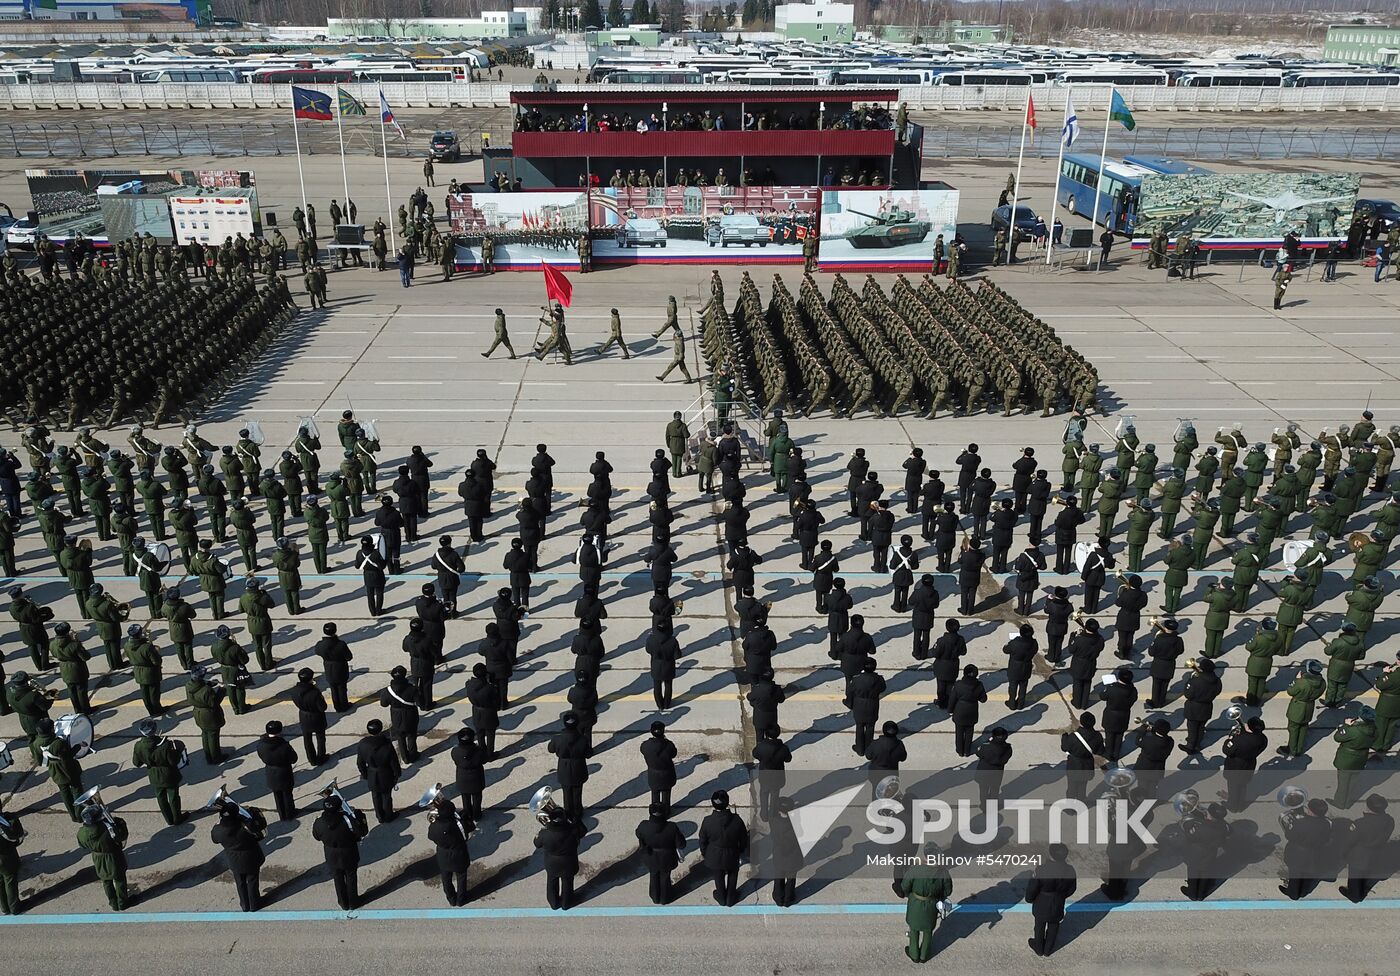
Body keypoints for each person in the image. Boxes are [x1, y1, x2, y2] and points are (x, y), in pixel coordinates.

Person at [210, 797, 267, 912]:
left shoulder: (218, 831)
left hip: (234, 860)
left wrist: (218, 822)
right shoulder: (246, 827)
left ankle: (244, 905)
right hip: (251, 858)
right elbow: (260, 831)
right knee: (252, 881)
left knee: (240, 882)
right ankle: (254, 904)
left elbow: (214, 839)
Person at [312, 795, 368, 910]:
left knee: (337, 878)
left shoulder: (319, 822)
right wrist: (358, 816)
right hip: (349, 853)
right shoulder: (347, 820)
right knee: (351, 877)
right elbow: (361, 832)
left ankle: (343, 903)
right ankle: (353, 902)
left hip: (331, 855)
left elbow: (316, 836)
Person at [699, 789, 749, 906]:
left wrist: (705, 853)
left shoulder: (708, 821)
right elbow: (743, 838)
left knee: (718, 876)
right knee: (733, 875)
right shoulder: (737, 820)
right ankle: (731, 898)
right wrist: (741, 850)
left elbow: (703, 840)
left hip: (714, 855)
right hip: (732, 853)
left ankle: (721, 897)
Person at [131, 717, 185, 825]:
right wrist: (178, 751)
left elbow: (137, 763)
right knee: (173, 796)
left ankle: (169, 820)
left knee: (161, 798)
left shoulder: (138, 746)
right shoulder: (165, 744)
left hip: (154, 775)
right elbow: (173, 761)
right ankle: (177, 818)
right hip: (169, 774)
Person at [77, 804, 131, 911]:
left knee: (106, 881)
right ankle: (122, 903)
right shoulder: (108, 828)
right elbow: (122, 836)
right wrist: (120, 823)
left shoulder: (81, 832)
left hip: (98, 858)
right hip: (114, 856)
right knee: (119, 879)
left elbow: (82, 845)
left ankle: (113, 903)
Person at [1025, 843, 1076, 956]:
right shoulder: (1070, 870)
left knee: (1039, 926)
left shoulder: (1041, 870)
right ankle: (1048, 949)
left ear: (1051, 855)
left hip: (1041, 903)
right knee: (1054, 926)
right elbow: (1072, 889)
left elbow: (1033, 888)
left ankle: (1039, 948)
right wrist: (1061, 896)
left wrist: (1029, 899)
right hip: (1058, 903)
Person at [1280, 798, 1333, 900]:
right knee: (1308, 874)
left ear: (1310, 811)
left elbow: (1289, 836)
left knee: (1295, 876)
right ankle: (1304, 891)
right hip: (1315, 854)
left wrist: (1292, 824)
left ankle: (1293, 894)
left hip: (1297, 854)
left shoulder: (1299, 823)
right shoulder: (1327, 823)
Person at [535, 806, 586, 910]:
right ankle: (566, 903)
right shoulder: (573, 830)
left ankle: (554, 903)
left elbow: (537, 844)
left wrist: (541, 831)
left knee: (552, 882)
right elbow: (583, 831)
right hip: (569, 862)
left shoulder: (544, 833)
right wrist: (575, 819)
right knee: (567, 882)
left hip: (552, 863)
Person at [636, 802, 686, 905]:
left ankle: (655, 896)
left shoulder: (644, 825)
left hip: (650, 856)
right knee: (665, 876)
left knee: (653, 874)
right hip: (667, 857)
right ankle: (665, 897)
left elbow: (638, 833)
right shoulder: (672, 827)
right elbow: (681, 844)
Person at [428, 795, 474, 907]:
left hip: (443, 856)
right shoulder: (458, 824)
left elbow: (430, 836)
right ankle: (461, 900)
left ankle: (451, 899)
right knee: (461, 877)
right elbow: (470, 828)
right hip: (459, 854)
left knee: (446, 879)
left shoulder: (435, 826)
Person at [257, 720, 298, 821]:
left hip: (271, 772)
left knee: (277, 795)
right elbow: (293, 759)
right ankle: (290, 814)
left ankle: (282, 814)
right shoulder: (284, 746)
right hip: (284, 772)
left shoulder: (261, 745)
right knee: (287, 795)